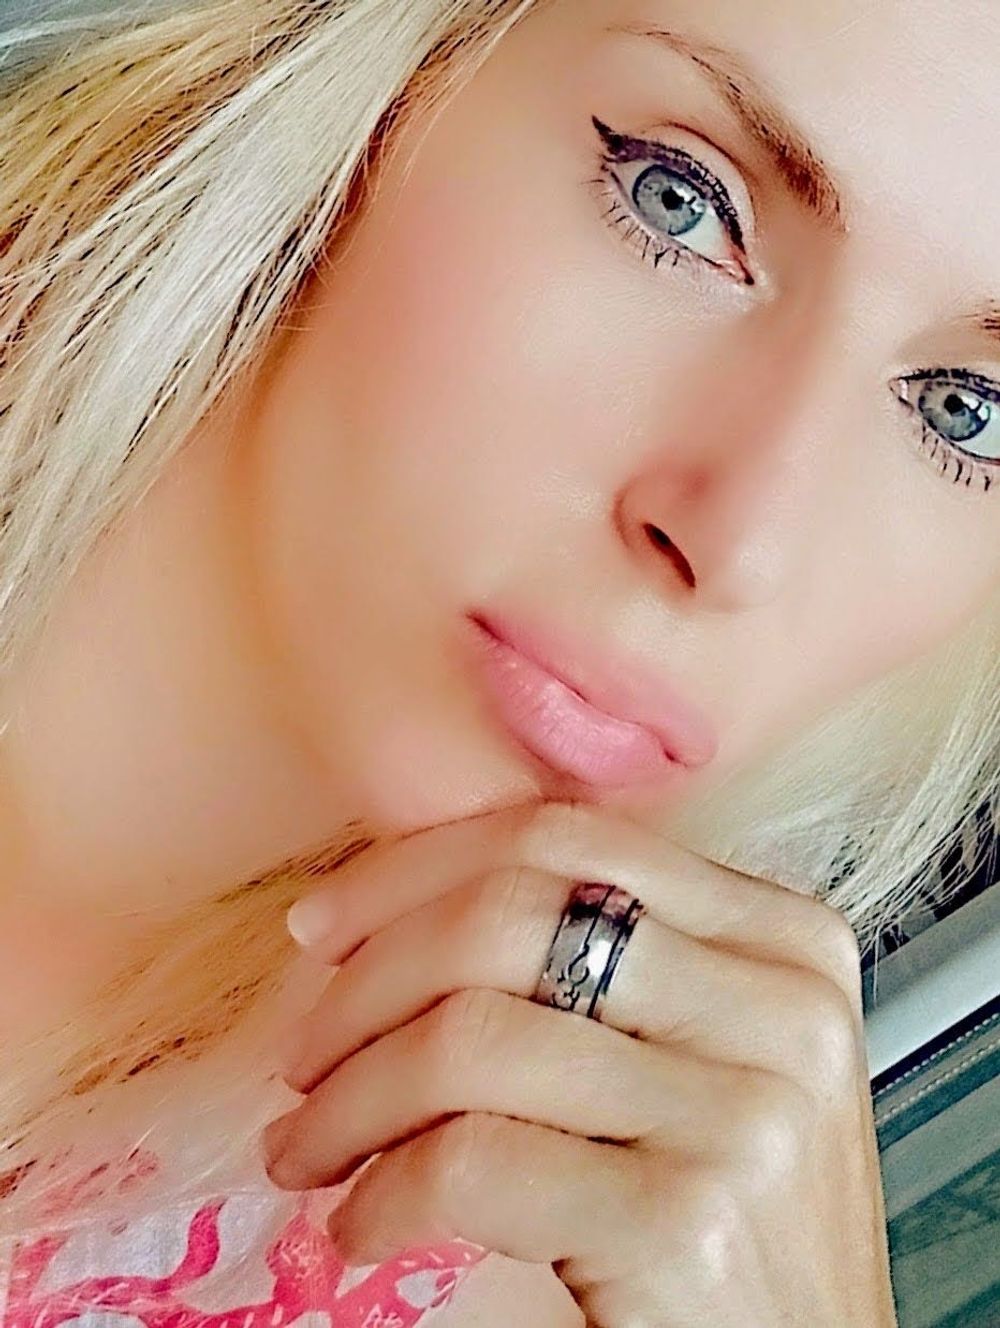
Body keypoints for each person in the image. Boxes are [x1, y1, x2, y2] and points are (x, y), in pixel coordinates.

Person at [0, 0, 996, 1322]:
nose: (738, 540)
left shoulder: (508, 1237)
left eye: (966, 414)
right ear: (407, 58)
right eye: (679, 200)